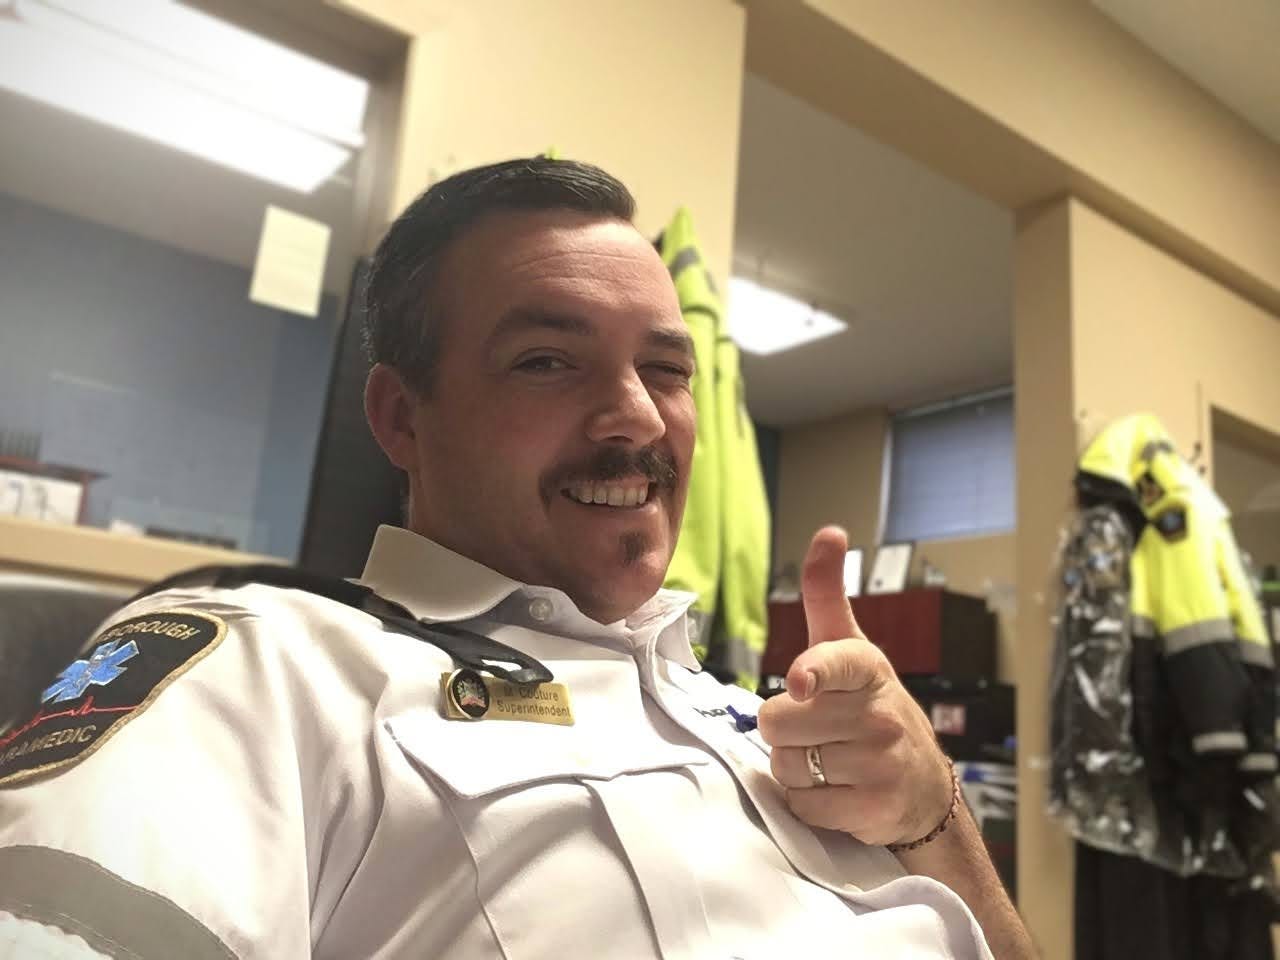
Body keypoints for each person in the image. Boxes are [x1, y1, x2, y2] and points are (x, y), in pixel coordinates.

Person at [0, 158, 1034, 959]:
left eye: (665, 369)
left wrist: (931, 810)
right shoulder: (266, 660)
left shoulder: (760, 721)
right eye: (546, 361)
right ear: (402, 417)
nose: (638, 417)